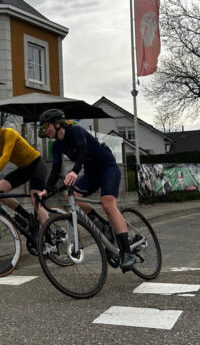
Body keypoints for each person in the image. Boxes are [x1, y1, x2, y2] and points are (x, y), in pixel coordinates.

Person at [36, 109, 136, 271]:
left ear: (57, 123)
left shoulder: (75, 131)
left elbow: (83, 152)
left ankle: (126, 252)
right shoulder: (57, 146)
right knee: (73, 195)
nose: (45, 129)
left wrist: (75, 171)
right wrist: (46, 190)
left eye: (47, 125)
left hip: (107, 168)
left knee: (108, 204)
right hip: (92, 174)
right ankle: (103, 226)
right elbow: (55, 170)